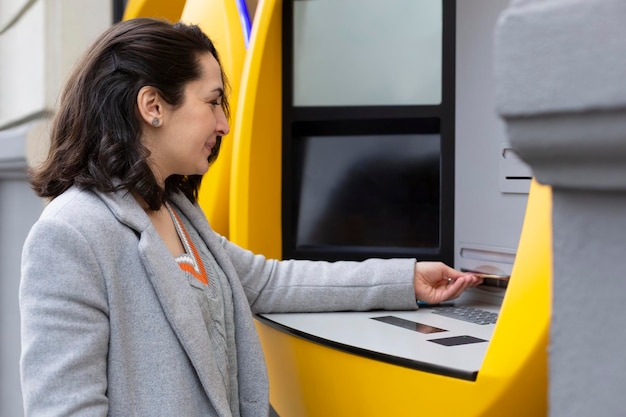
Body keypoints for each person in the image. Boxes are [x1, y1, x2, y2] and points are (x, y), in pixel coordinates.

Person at [19, 18, 482, 417]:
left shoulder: (177, 211)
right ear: (153, 106)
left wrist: (406, 280)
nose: (223, 123)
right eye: (213, 101)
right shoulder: (70, 234)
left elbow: (268, 282)